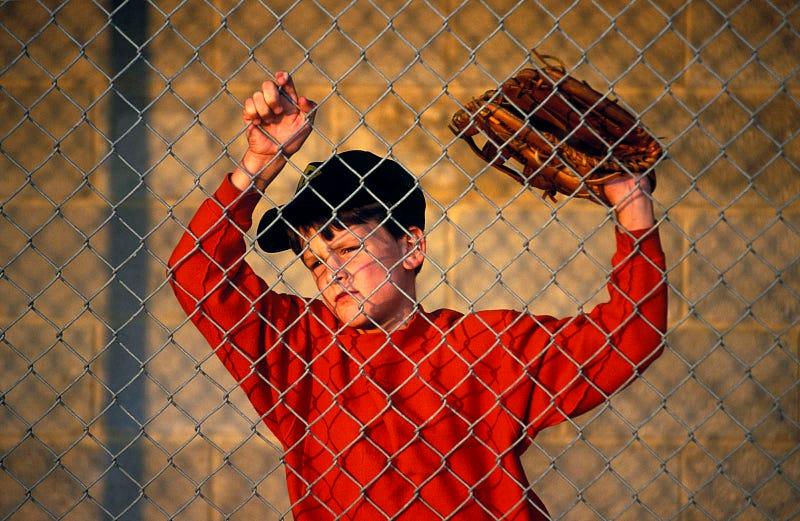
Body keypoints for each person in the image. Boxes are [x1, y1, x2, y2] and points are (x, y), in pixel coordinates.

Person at [168, 71, 667, 520]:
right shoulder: (298, 349)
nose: (331, 274)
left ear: (412, 248)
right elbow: (196, 273)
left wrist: (633, 210)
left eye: (346, 247)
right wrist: (260, 164)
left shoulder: (482, 347)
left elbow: (628, 338)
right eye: (315, 261)